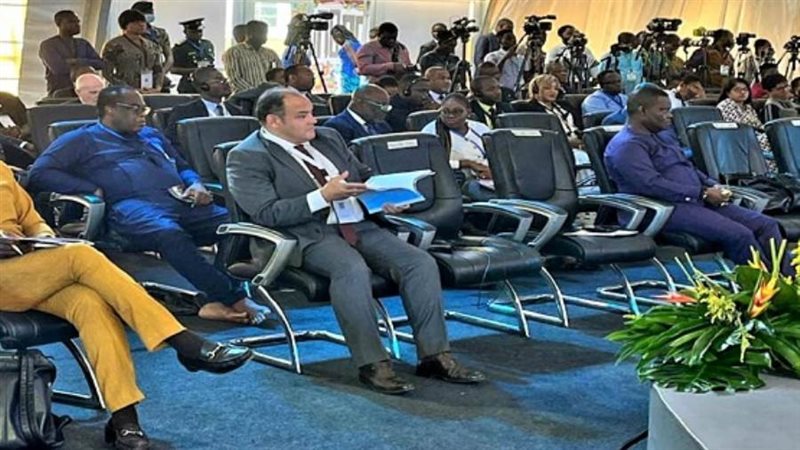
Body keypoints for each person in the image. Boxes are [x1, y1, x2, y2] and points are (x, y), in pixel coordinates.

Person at [226, 88, 486, 394]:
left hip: (358, 223)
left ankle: (434, 356)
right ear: (273, 121)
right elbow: (266, 213)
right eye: (302, 116)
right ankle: (373, 363)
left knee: (419, 263)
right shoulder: (247, 156)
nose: (313, 120)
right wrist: (322, 196)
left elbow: (362, 176)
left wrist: (383, 198)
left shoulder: (328, 138)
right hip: (304, 234)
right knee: (351, 269)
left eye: (311, 113)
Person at [0, 161, 252, 450]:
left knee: (91, 304)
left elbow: (32, 219)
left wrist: (43, 237)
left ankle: (124, 418)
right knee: (80, 256)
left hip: (26, 271)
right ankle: (183, 342)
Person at [27, 85, 269, 325]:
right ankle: (235, 298)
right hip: (129, 208)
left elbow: (182, 166)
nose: (143, 114)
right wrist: (90, 188)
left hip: (178, 200)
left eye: (144, 109)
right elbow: (39, 173)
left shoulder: (151, 135)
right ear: (110, 109)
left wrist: (195, 183)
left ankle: (214, 298)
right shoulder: (81, 140)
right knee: (168, 233)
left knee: (236, 225)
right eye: (135, 109)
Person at [605, 85, 789, 273]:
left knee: (767, 225)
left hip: (694, 201)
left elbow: (688, 168)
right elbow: (651, 185)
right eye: (663, 110)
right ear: (642, 110)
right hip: (663, 208)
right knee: (739, 234)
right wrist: (702, 193)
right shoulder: (627, 146)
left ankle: (789, 282)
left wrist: (713, 185)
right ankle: (763, 286)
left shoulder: (662, 137)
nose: (670, 115)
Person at [421, 93, 493, 201]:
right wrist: (468, 163)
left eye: (457, 112)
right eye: (445, 111)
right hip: (458, 180)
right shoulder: (431, 131)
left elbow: (496, 154)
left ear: (468, 112)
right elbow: (429, 162)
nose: (450, 116)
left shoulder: (480, 128)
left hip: (488, 176)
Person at [165, 67, 245, 152]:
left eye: (225, 79)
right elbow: (171, 143)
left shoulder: (237, 111)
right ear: (204, 86)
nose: (226, 83)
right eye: (219, 80)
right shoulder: (185, 112)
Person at [39, 10, 104, 96]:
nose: (76, 24)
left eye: (77, 21)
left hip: (86, 91)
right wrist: (86, 64)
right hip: (59, 93)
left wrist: (76, 61)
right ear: (59, 24)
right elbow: (58, 68)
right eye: (71, 22)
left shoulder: (82, 43)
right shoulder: (48, 45)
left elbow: (101, 64)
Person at [101, 10, 163, 93]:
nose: (141, 24)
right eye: (136, 22)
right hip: (124, 91)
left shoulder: (151, 45)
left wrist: (158, 87)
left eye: (143, 21)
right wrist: (126, 88)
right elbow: (107, 72)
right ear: (126, 25)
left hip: (150, 89)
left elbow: (158, 68)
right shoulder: (114, 45)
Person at [717, 77, 773, 167]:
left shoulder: (748, 107)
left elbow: (758, 125)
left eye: (745, 89)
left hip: (754, 135)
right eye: (737, 90)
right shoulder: (725, 105)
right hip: (738, 138)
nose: (742, 92)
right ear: (728, 93)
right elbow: (736, 126)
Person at [222, 20, 282, 94]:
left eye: (266, 33)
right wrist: (255, 92)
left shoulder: (271, 53)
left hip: (269, 95)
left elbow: (280, 75)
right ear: (250, 34)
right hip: (245, 96)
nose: (265, 37)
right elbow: (234, 78)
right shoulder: (234, 52)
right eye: (262, 33)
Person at [323, 84, 393, 143]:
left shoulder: (382, 125)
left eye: (386, 107)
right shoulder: (337, 126)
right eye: (379, 105)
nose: (384, 110)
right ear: (358, 101)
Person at [130, 1, 173, 92]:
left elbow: (169, 58)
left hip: (157, 79)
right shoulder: (129, 34)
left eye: (150, 12)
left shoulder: (160, 33)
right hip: (134, 80)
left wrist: (161, 73)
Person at [171, 18, 216, 94]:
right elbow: (173, 70)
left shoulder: (207, 44)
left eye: (200, 31)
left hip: (208, 84)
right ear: (185, 32)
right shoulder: (180, 48)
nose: (198, 34)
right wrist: (194, 70)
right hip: (189, 85)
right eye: (193, 32)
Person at [331, 25, 362, 94]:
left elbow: (354, 60)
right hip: (354, 73)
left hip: (348, 73)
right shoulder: (355, 43)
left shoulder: (347, 44)